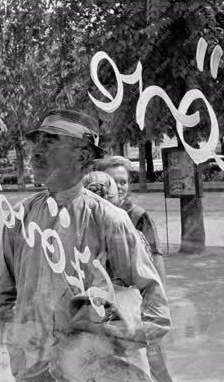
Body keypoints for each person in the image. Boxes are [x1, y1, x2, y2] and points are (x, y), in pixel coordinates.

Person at [0, 109, 171, 381]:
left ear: (83, 156)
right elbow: (4, 297)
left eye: (50, 141)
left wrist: (109, 334)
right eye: (36, 141)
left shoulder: (110, 219)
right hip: (34, 371)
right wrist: (21, 340)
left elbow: (156, 310)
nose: (36, 151)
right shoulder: (20, 218)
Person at [94, 156, 172, 382]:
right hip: (103, 304)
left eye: (123, 181)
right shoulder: (90, 213)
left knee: (152, 363)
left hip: (134, 304)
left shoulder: (136, 215)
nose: (119, 187)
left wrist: (156, 307)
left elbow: (155, 261)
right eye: (112, 181)